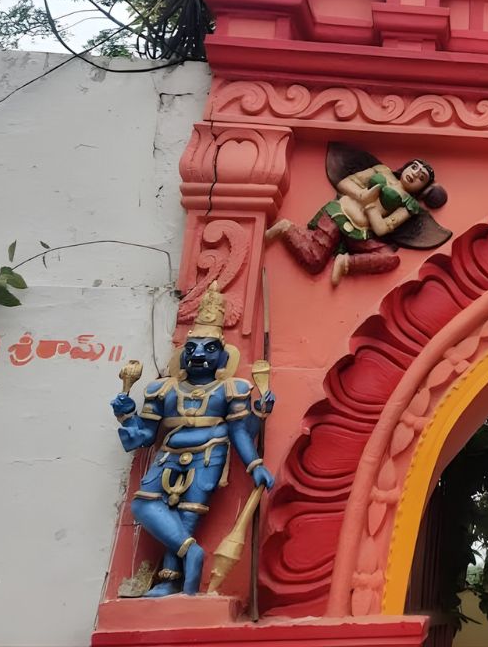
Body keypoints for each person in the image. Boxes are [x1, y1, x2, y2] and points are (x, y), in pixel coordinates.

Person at [108, 284, 274, 596]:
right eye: (192, 348)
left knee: (189, 511)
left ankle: (174, 581)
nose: (198, 354)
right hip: (169, 453)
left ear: (223, 356)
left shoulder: (231, 389)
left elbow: (241, 430)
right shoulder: (163, 390)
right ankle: (190, 552)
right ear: (183, 355)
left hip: (209, 454)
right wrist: (126, 415)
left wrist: (255, 464)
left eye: (209, 348)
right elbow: (143, 436)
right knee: (143, 504)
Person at [266, 149, 449, 285]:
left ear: (424, 188)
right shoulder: (382, 171)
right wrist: (362, 195)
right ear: (406, 166)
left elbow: (381, 229)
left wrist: (370, 204)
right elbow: (344, 183)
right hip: (339, 214)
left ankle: (345, 263)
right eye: (414, 167)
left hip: (360, 233)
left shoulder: (409, 205)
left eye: (421, 177)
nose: (415, 174)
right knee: (314, 261)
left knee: (389, 258)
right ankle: (285, 228)